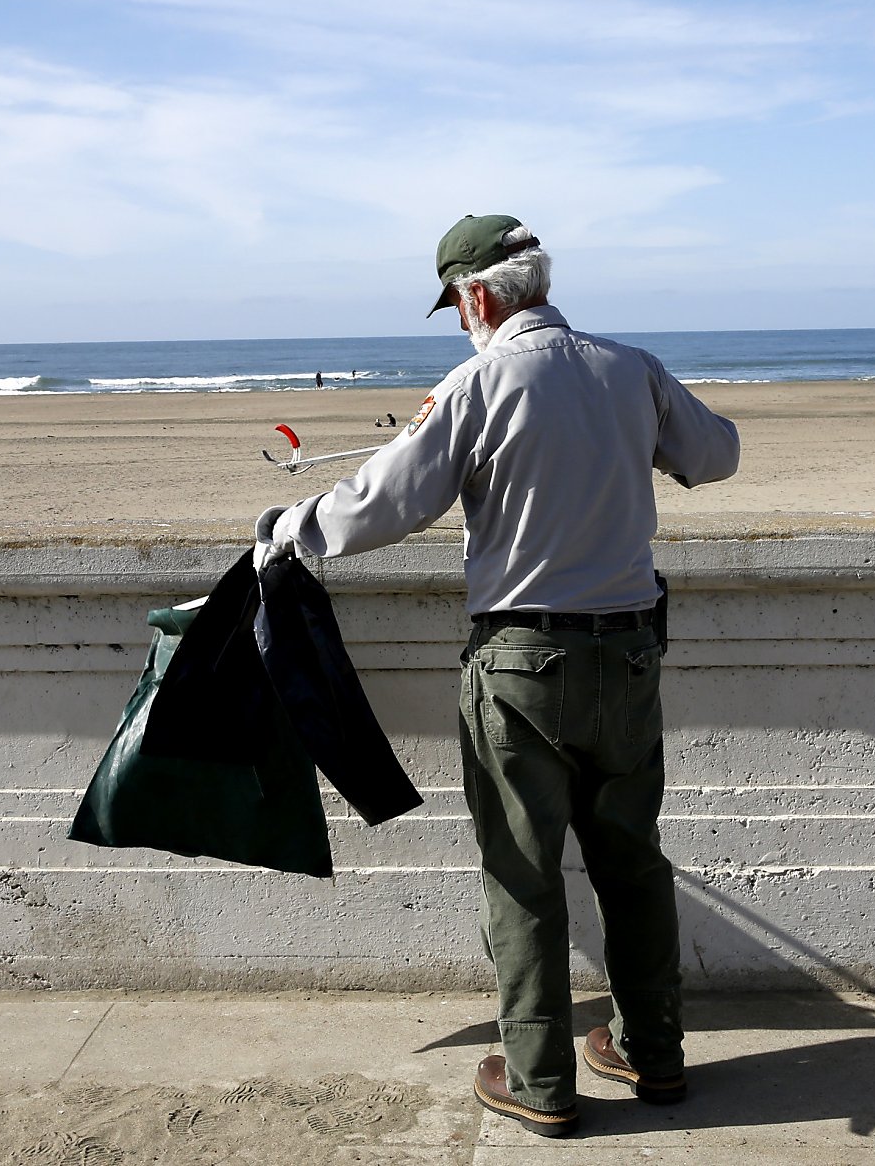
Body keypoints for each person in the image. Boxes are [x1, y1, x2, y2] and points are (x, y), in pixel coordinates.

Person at [254, 213, 739, 1136]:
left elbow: (382, 505)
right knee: (631, 862)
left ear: (476, 296)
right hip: (630, 653)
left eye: (457, 306)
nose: (461, 320)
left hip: (522, 664)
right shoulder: (631, 367)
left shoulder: (478, 381)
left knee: (522, 874)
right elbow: (717, 455)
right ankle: (653, 1053)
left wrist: (290, 527)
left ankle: (542, 1081)